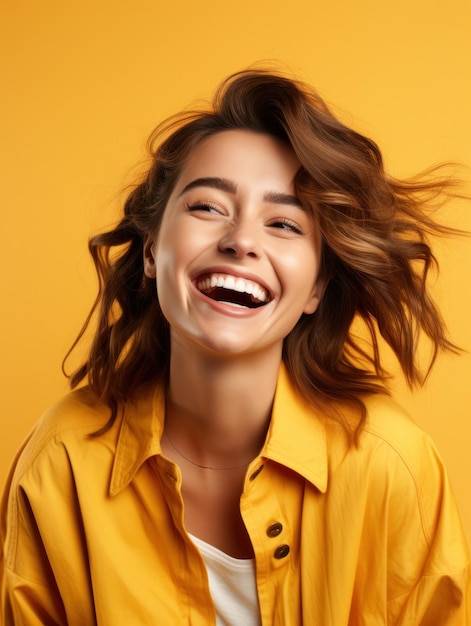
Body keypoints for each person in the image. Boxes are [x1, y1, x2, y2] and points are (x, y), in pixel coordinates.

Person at [1, 69, 469, 625]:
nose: (241, 240)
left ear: (316, 286)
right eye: (207, 207)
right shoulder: (62, 461)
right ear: (151, 251)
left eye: (284, 224)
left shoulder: (391, 466)